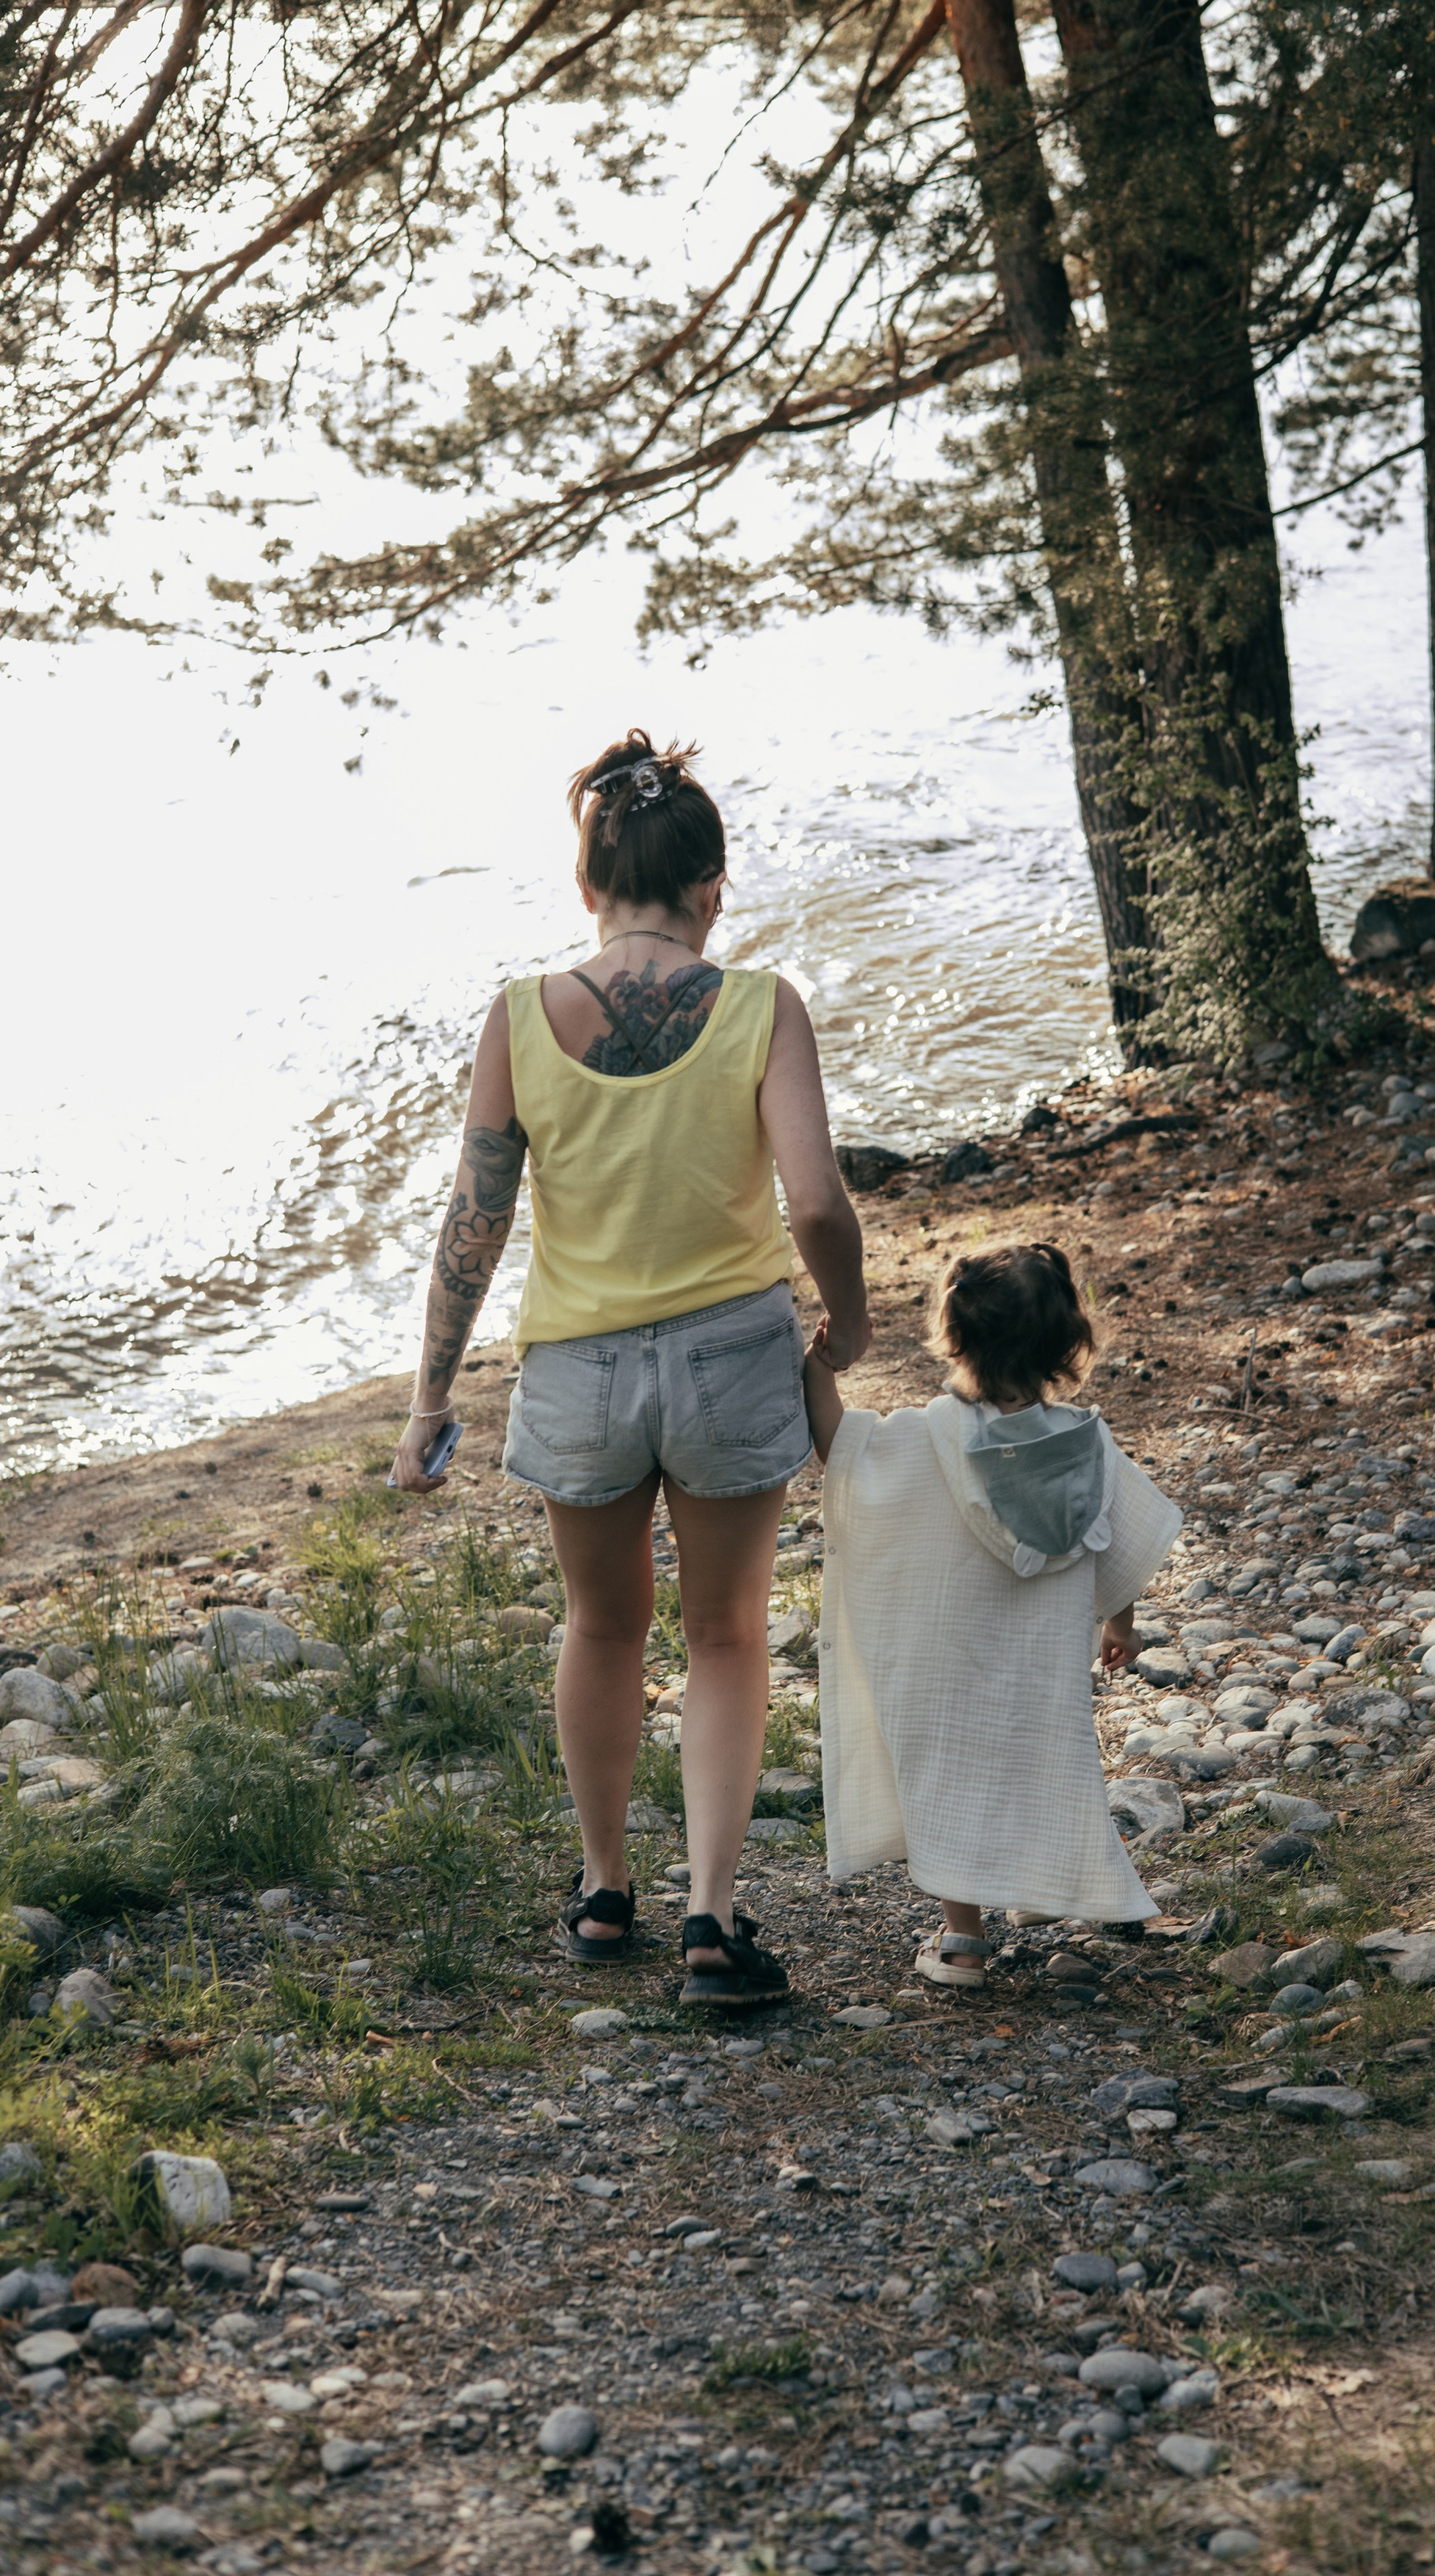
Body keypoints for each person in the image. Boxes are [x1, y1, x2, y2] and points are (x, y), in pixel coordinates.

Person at [391, 730, 869, 2008]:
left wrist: (431, 1401)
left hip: (580, 1372)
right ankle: (712, 1922)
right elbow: (817, 1204)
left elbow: (473, 1227)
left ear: (589, 886)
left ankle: (606, 1897)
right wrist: (852, 1320)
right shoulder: (764, 1007)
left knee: (603, 1625)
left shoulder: (516, 1018)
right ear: (711, 887)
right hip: (730, 1355)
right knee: (724, 1635)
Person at [801, 1242, 1179, 1982]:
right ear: (1067, 1343)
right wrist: (1119, 1624)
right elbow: (1124, 1536)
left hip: (947, 1662)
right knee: (1039, 1759)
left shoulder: (920, 1438)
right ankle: (1046, 1882)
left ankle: (963, 1940)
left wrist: (818, 1369)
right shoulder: (1085, 1444)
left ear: (955, 1335)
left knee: (951, 1773)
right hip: (1036, 1665)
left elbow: (838, 1450)